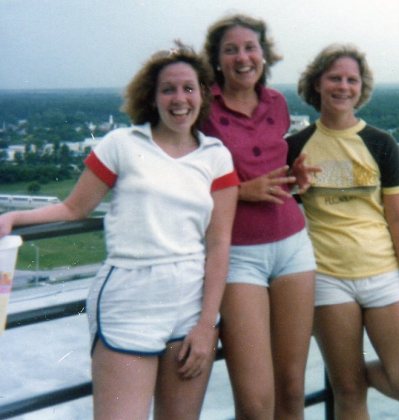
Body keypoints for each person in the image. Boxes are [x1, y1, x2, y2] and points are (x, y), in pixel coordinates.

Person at [0, 43, 239, 420]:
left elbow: (219, 242)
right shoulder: (122, 145)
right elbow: (74, 207)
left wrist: (206, 324)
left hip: (190, 301)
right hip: (129, 296)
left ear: (203, 95)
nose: (180, 99)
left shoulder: (216, 156)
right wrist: (11, 219)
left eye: (189, 88)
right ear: (153, 96)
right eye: (169, 89)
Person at [286, 43, 399, 420]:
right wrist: (291, 187)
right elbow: (279, 206)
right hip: (326, 279)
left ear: (361, 87)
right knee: (348, 392)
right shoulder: (295, 147)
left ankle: (351, 378)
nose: (343, 86)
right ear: (317, 84)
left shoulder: (380, 143)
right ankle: (348, 381)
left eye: (352, 79)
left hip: (383, 275)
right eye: (334, 78)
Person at [201, 14, 317, 420]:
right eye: (230, 50)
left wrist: (294, 175)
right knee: (254, 403)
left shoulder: (277, 103)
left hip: (293, 248)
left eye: (250, 48)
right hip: (237, 256)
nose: (242, 57)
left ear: (264, 56)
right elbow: (180, 176)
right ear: (217, 60)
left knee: (291, 388)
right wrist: (240, 191)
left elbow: (272, 160)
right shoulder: (201, 108)